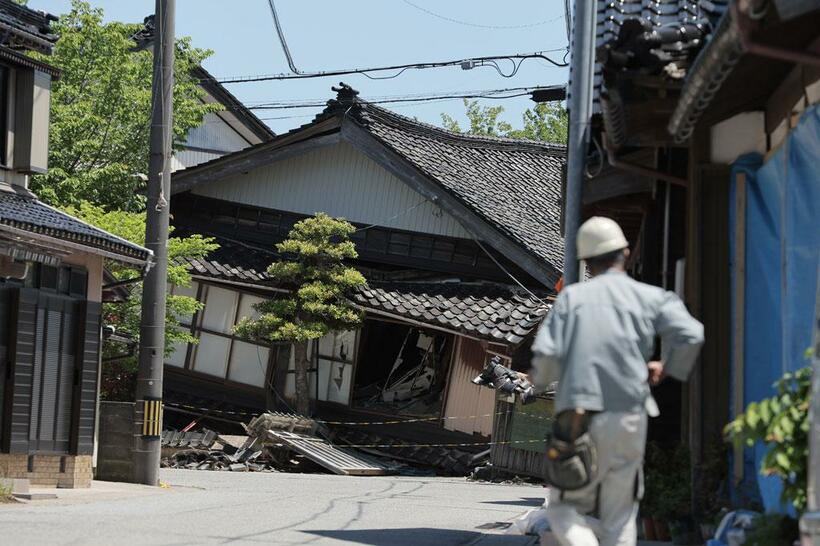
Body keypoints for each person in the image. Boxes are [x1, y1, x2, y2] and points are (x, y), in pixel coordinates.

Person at [531, 216, 704, 546]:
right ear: (625, 253)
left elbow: (547, 360)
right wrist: (664, 367)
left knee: (564, 510)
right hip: (629, 414)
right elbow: (692, 334)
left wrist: (539, 379)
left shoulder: (571, 299)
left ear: (586, 261)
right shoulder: (651, 296)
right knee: (621, 511)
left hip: (579, 415)